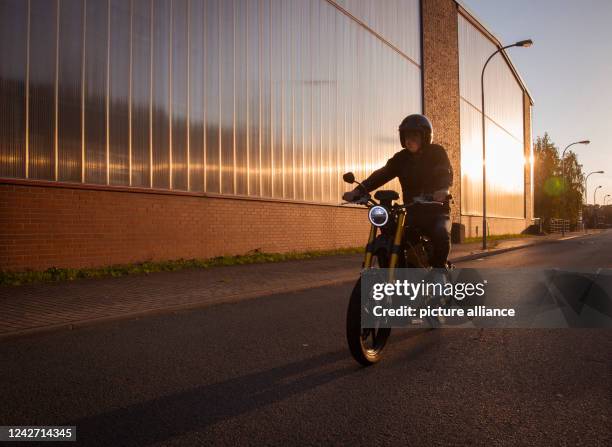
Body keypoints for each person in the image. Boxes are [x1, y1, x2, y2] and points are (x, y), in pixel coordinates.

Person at [342, 114, 453, 268]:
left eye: (414, 135)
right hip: (413, 212)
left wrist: (443, 189)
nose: (409, 139)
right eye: (406, 135)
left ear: (425, 136)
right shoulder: (401, 158)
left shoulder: (436, 152)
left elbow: (444, 171)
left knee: (441, 235)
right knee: (401, 238)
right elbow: (382, 174)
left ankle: (440, 273)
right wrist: (358, 191)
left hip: (437, 210)